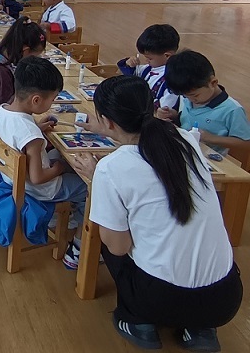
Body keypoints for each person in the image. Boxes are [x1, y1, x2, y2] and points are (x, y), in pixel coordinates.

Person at [70, 76, 243, 352]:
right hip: (225, 299)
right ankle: (199, 329)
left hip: (160, 299)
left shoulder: (110, 168)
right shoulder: (185, 139)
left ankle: (138, 321)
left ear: (108, 122)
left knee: (107, 232)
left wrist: (96, 181)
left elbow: (118, 247)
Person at [0, 56, 88, 267]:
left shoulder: (1, 112)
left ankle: (60, 217)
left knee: (60, 156)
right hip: (39, 189)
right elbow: (38, 178)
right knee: (89, 188)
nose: (53, 103)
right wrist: (60, 168)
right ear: (36, 100)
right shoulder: (30, 134)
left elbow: (16, 137)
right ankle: (79, 247)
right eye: (52, 99)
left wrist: (37, 129)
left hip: (10, 178)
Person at [160, 50, 250, 162]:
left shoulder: (232, 110)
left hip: (209, 161)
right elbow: (188, 119)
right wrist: (173, 115)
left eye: (195, 95)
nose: (190, 99)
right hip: (183, 150)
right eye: (185, 96)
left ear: (213, 83)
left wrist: (211, 138)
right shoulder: (189, 97)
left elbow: (246, 143)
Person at [0, 17, 47, 128]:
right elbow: (10, 111)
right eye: (34, 56)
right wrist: (35, 128)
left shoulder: (1, 54)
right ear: (25, 50)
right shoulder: (1, 72)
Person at [118, 24, 180, 111]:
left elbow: (164, 108)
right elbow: (122, 76)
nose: (146, 61)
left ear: (167, 56)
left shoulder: (173, 80)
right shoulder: (148, 68)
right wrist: (128, 64)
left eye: (149, 58)